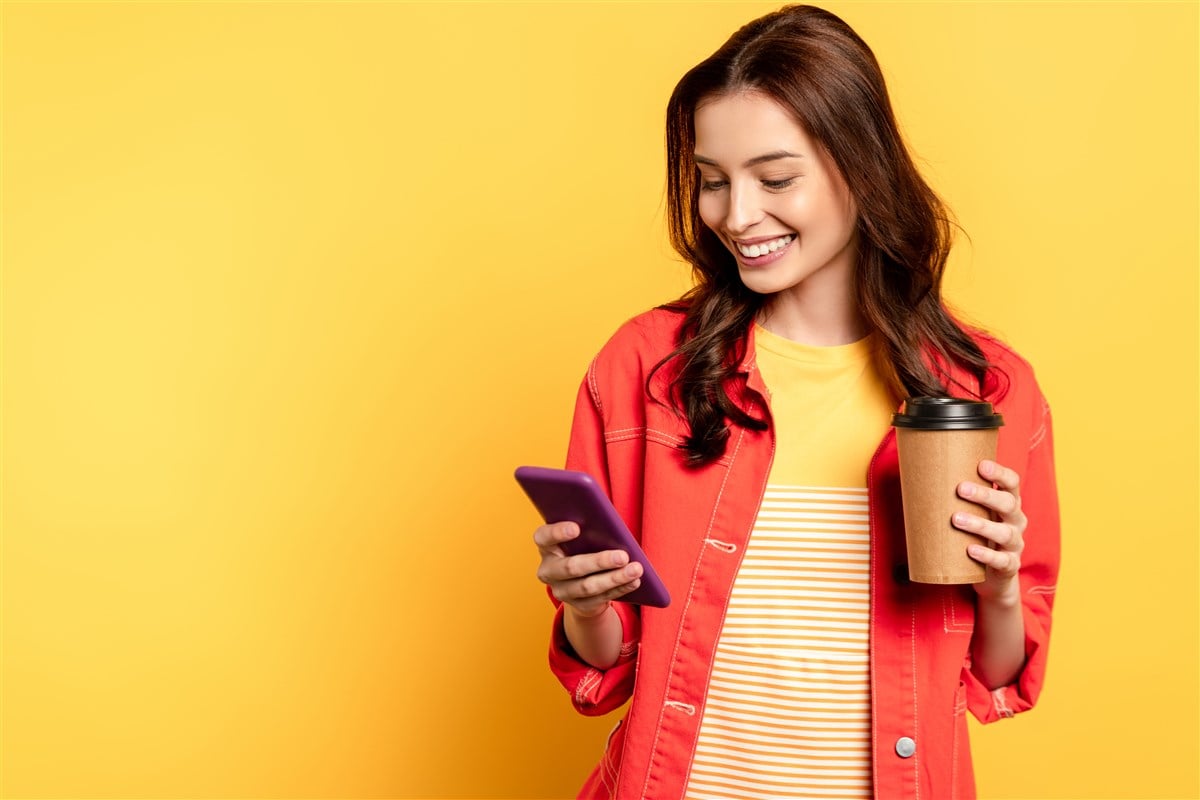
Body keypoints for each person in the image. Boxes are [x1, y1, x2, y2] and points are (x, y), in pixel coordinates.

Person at [532, 5, 1060, 799]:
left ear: (862, 166)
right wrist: (585, 604)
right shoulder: (647, 368)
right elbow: (607, 665)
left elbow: (995, 681)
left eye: (776, 178)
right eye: (713, 181)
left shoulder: (985, 392)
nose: (737, 216)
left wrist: (998, 588)